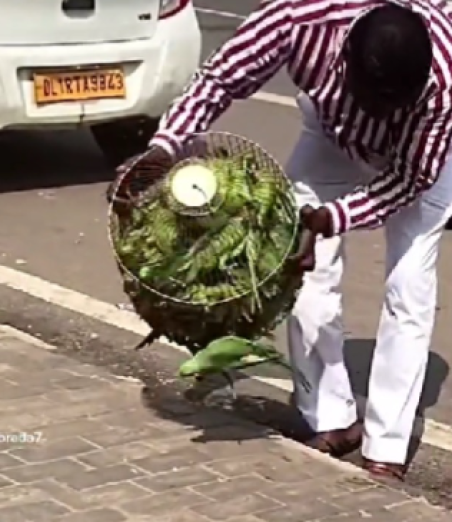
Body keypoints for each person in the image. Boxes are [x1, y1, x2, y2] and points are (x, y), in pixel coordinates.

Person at [109, 0, 452, 479]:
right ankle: (331, 417)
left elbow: (409, 182)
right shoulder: (297, 20)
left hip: (411, 159)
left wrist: (332, 217)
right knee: (300, 268)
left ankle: (387, 448)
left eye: (390, 105)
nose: (378, 113)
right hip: (331, 133)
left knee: (407, 288)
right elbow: (220, 81)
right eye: (370, 99)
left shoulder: (443, 81)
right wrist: (164, 148)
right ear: (344, 54)